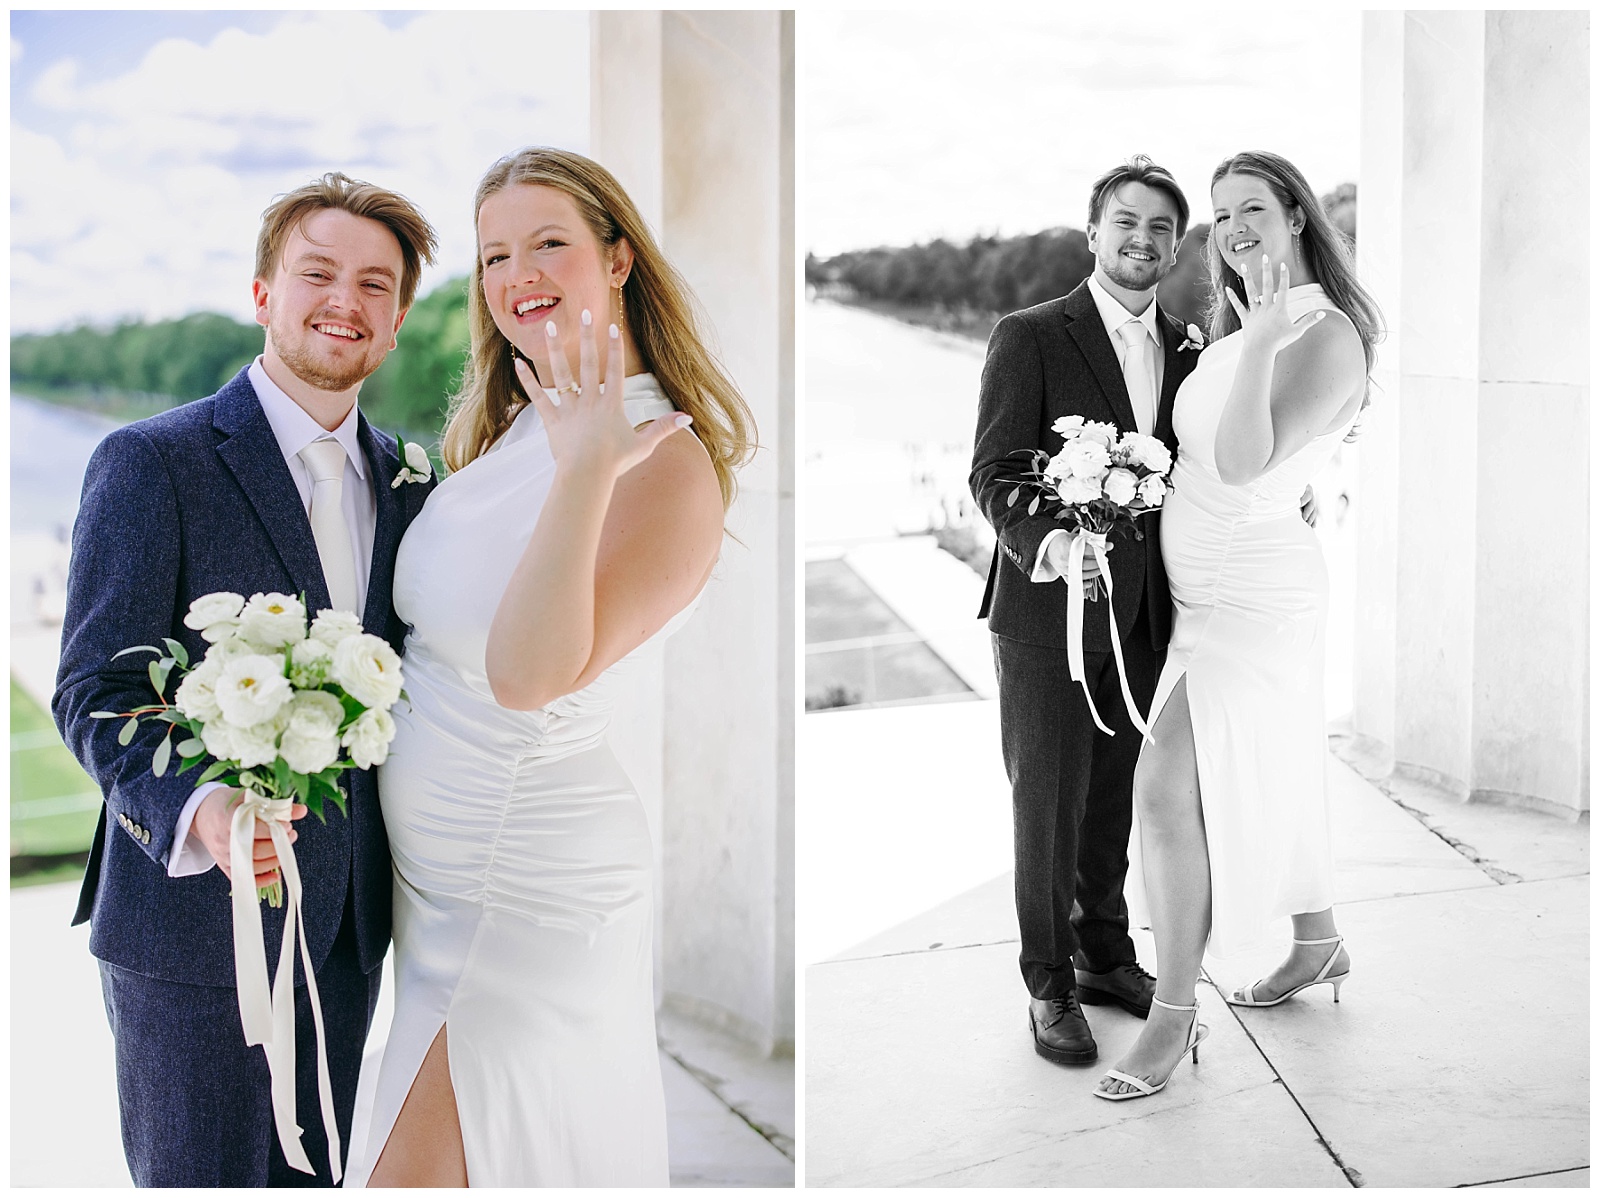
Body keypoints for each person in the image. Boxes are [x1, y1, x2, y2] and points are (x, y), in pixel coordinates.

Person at [343, 147, 756, 1187]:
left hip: (526, 900)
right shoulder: (516, 427)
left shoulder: (662, 457)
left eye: (548, 243)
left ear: (616, 260)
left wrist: (585, 469)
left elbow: (530, 673)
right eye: (492, 255)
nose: (516, 271)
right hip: (431, 900)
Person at [53, 173, 439, 1183]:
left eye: (374, 284)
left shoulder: (414, 485)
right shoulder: (151, 461)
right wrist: (205, 808)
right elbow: (96, 686)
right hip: (190, 942)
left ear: (397, 321)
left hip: (349, 932)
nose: (344, 301)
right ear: (263, 290)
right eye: (317, 272)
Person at [1096, 150, 1382, 1101]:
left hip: (1256, 599)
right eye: (1221, 215)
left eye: (1252, 207)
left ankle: (1172, 1017)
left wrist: (1258, 342)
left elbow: (1248, 461)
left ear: (1297, 215)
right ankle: (1318, 940)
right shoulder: (1236, 327)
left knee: (1165, 785)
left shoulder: (1323, 335)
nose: (1234, 228)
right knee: (1281, 762)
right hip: (1198, 594)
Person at [969, 156, 1200, 1066]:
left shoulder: (1189, 348)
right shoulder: (1029, 334)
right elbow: (994, 472)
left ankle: (1107, 955)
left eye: (1159, 230)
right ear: (1094, 230)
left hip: (1148, 614)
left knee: (1117, 797)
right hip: (1045, 615)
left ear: (1174, 247)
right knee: (1048, 804)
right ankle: (1050, 983)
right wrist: (1059, 547)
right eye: (1127, 223)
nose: (1142, 241)